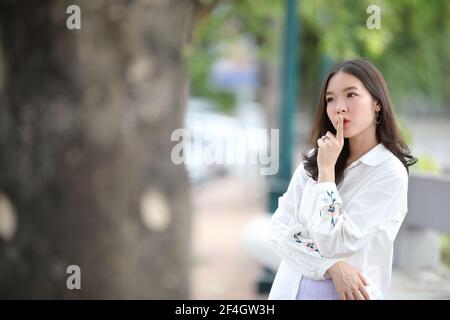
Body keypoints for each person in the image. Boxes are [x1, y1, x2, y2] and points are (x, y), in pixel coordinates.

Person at [268, 59, 417, 300]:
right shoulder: (315, 159)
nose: (339, 107)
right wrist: (330, 267)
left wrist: (326, 176)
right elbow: (278, 230)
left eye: (351, 95)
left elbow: (335, 242)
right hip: (289, 291)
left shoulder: (388, 172)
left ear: (377, 103)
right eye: (330, 99)